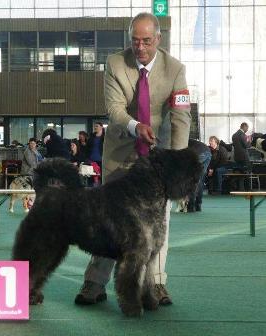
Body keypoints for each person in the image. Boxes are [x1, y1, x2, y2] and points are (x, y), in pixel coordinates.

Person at [74, 12, 191, 306]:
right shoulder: (115, 63)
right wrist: (134, 127)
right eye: (135, 41)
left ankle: (156, 284)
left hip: (156, 161)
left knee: (158, 222)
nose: (140, 48)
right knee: (108, 218)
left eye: (147, 41)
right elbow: (114, 108)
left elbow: (181, 118)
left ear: (158, 39)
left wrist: (175, 163)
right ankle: (94, 282)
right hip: (120, 152)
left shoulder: (175, 69)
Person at [187, 139, 211, 212]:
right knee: (200, 180)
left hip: (200, 155)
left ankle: (191, 206)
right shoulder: (192, 141)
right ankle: (198, 205)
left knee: (191, 180)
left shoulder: (182, 141)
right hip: (208, 153)